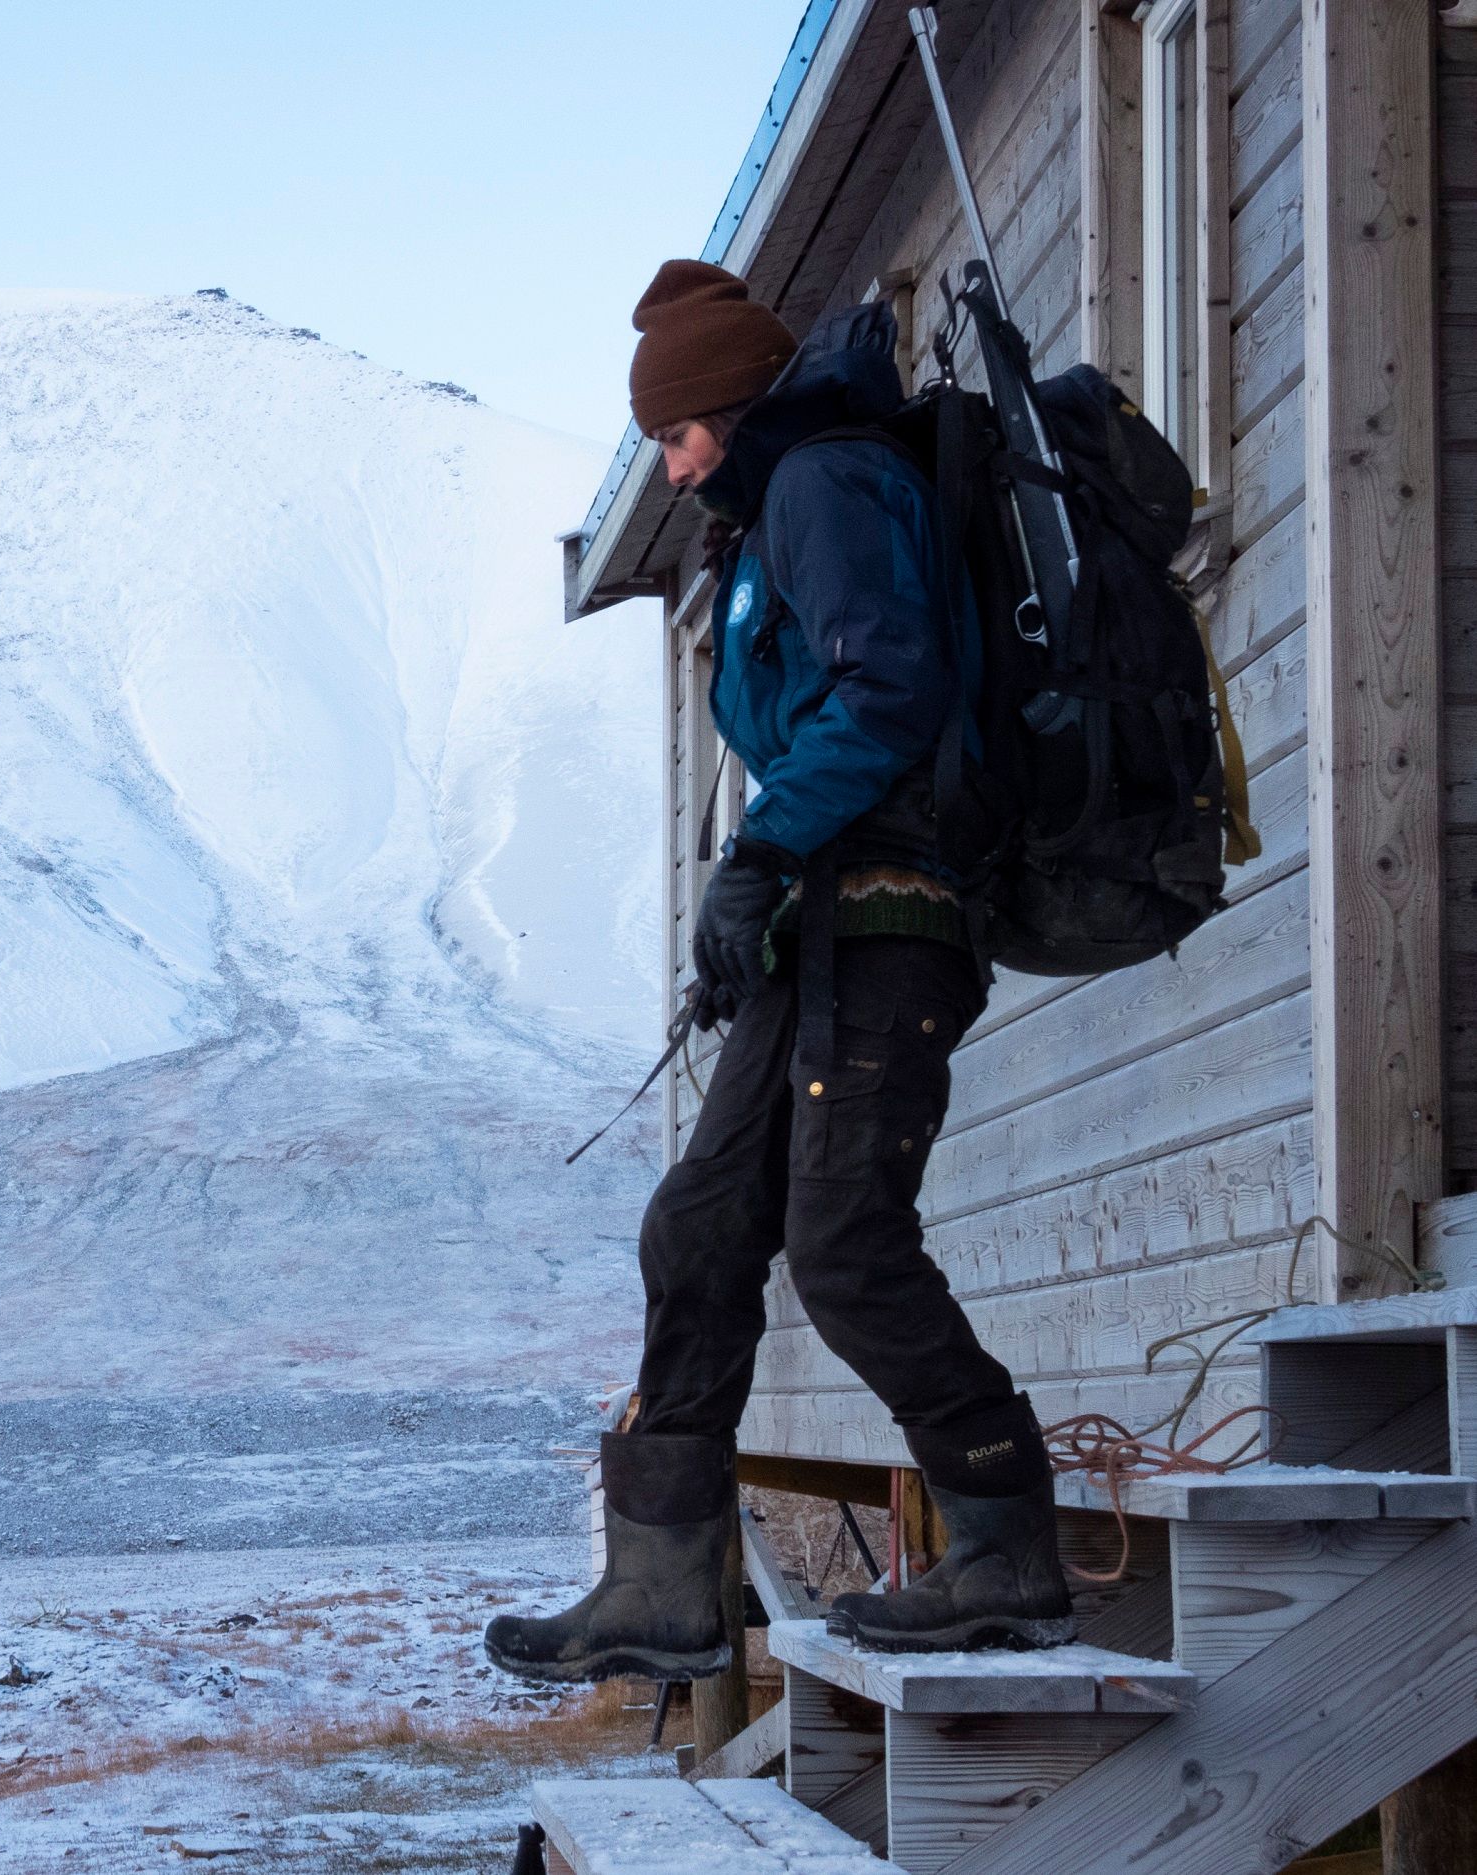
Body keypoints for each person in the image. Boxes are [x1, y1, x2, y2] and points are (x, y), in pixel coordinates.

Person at [483, 260, 1074, 1682]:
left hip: (890, 916)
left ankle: (1006, 1543)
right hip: (821, 929)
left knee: (845, 1242)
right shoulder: (764, 519)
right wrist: (759, 900)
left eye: (680, 436)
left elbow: (894, 688)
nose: (675, 470)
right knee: (697, 1230)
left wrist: (757, 851)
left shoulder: (822, 487)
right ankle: (665, 1587)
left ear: (734, 409)